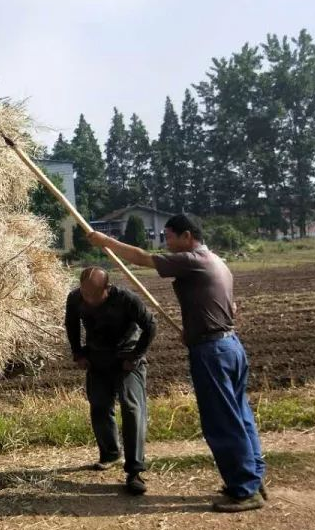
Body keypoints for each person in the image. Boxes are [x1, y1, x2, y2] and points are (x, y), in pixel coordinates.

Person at [87, 213, 266, 513]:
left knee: (222, 421)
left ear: (187, 236)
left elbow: (143, 258)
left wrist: (106, 241)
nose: (166, 241)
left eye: (169, 236)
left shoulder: (193, 259)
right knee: (240, 415)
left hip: (213, 352)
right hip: (229, 345)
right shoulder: (217, 261)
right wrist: (195, 329)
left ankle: (245, 489)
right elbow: (228, 308)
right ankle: (252, 477)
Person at [65, 267, 156, 495]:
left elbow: (150, 326)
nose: (89, 299)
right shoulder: (75, 298)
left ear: (107, 288)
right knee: (99, 405)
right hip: (98, 357)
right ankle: (110, 453)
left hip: (126, 358)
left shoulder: (126, 300)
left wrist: (135, 356)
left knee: (132, 407)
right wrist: (78, 353)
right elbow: (71, 324)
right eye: (85, 293)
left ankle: (135, 470)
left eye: (94, 295)